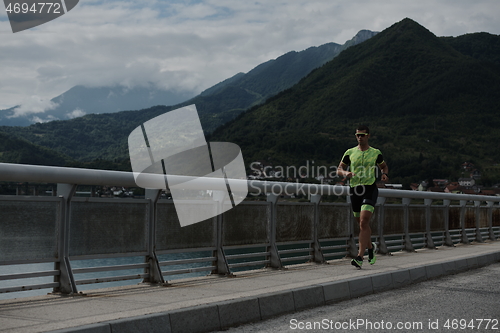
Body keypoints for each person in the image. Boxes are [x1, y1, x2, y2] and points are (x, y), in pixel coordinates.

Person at [337, 125, 388, 269]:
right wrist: (345, 173)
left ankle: (359, 257)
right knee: (361, 224)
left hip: (370, 189)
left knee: (364, 222)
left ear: (368, 136)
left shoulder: (375, 153)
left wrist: (384, 174)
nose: (360, 137)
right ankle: (371, 248)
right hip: (355, 191)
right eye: (358, 135)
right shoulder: (350, 152)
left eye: (363, 135)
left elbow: (383, 166)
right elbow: (339, 169)